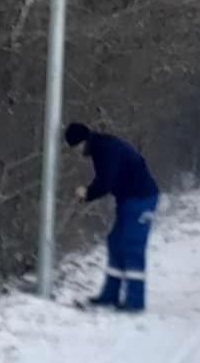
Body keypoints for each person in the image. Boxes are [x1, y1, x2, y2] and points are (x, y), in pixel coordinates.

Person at [64, 121, 160, 312]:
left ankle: (135, 301)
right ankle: (110, 295)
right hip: (128, 200)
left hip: (141, 199)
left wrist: (87, 193)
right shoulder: (101, 146)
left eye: (75, 147)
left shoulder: (105, 149)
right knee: (115, 242)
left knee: (132, 246)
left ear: (81, 141)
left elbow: (106, 181)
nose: (76, 153)